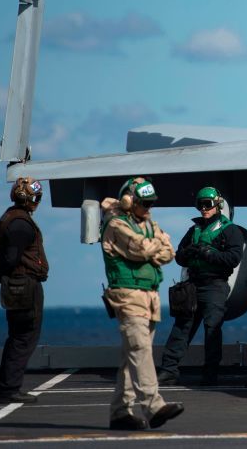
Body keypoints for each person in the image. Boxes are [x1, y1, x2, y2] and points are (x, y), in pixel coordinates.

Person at [100, 176, 184, 430]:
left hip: (149, 298)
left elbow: (169, 251)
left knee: (130, 356)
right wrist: (156, 246)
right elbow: (141, 249)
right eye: (144, 204)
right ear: (129, 201)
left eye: (150, 204)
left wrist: (154, 247)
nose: (148, 209)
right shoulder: (116, 224)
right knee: (140, 350)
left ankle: (120, 413)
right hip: (128, 297)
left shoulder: (146, 223)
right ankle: (153, 405)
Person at [158, 186, 243, 386]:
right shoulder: (193, 230)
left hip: (215, 285)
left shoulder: (230, 230)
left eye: (208, 204)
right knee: (181, 327)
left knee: (212, 328)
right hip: (193, 284)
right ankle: (169, 370)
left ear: (217, 205)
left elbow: (234, 258)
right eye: (200, 205)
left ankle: (210, 373)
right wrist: (190, 253)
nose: (204, 209)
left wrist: (208, 254)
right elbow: (179, 256)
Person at [0, 177, 49, 404]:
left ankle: (7, 388)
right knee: (24, 337)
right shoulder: (21, 224)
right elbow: (11, 258)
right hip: (24, 285)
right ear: (32, 199)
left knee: (18, 336)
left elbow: (4, 256)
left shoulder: (10, 218)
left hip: (16, 283)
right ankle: (9, 389)